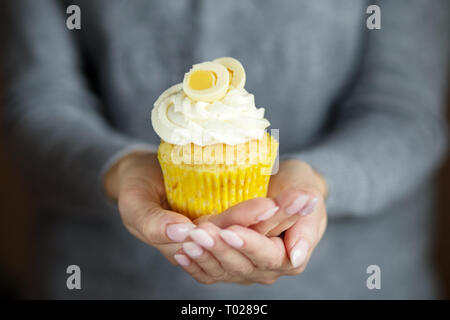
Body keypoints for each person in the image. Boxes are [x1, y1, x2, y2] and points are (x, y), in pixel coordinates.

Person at [0, 0, 448, 299]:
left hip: (353, 282)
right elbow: (37, 101)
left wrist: (318, 180)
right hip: (107, 280)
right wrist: (122, 169)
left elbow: (405, 111)